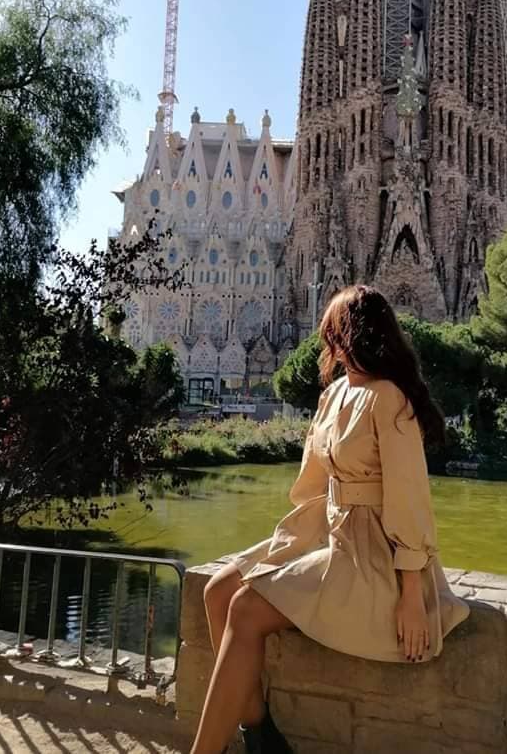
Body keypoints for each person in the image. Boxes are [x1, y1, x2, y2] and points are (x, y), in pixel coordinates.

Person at [189, 285, 471, 754]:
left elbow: (410, 499)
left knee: (244, 609)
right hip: (328, 533)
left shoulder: (389, 399)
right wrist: (288, 545)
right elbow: (314, 487)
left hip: (372, 558)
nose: (327, 345)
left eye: (332, 333)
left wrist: (412, 594)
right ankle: (259, 733)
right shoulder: (335, 393)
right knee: (218, 589)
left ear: (353, 335)